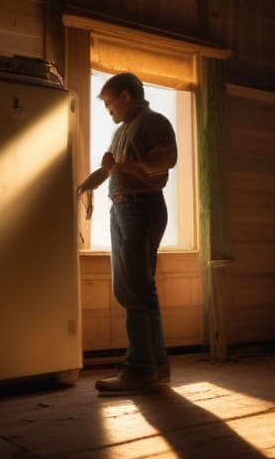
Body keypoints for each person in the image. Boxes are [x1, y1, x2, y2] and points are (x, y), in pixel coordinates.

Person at [77, 72, 177, 394]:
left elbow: (165, 161)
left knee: (133, 288)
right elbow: (109, 170)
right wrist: (83, 186)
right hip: (124, 208)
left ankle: (139, 368)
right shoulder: (122, 132)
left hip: (142, 208)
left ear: (125, 96)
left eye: (108, 103)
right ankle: (156, 364)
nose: (109, 111)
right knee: (140, 289)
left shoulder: (154, 121)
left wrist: (121, 168)